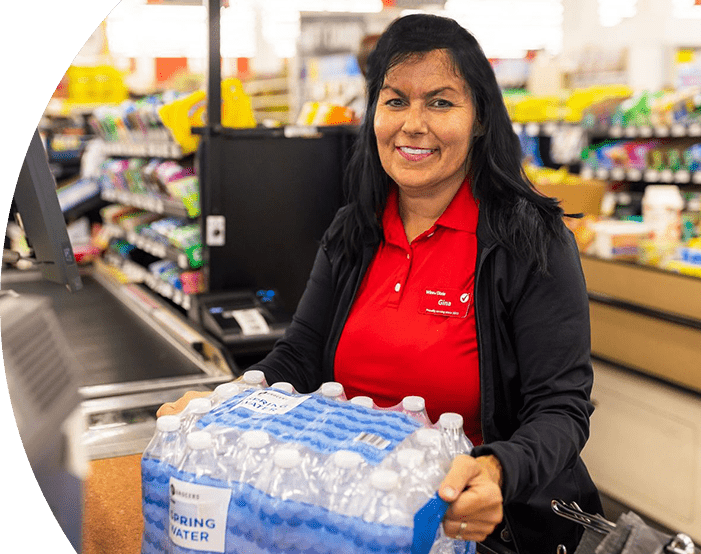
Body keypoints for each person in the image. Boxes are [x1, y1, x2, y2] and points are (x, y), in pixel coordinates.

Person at [159, 13, 602, 554]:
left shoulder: (529, 240)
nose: (413, 123)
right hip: (353, 516)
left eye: (440, 102)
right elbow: (299, 355)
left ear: (481, 118)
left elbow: (561, 407)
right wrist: (224, 403)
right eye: (395, 101)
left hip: (475, 528)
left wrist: (499, 472)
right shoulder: (354, 229)